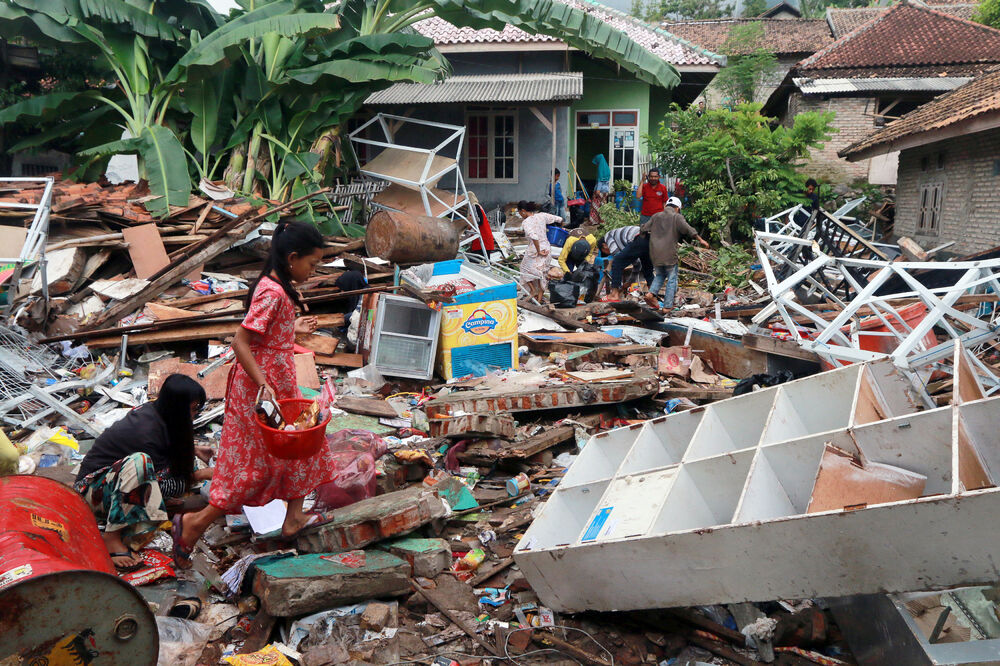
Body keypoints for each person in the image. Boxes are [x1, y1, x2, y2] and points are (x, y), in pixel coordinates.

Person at [173, 221, 338, 568]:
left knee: (301, 445)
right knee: (252, 468)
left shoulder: (276, 287)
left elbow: (267, 336)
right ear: (292, 258)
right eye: (312, 264)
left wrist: (291, 329)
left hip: (277, 385)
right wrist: (264, 383)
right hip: (260, 391)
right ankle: (195, 523)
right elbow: (240, 342)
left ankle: (293, 517)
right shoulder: (272, 292)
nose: (314, 271)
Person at [75, 374, 211, 572]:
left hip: (110, 483)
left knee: (176, 475)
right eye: (192, 409)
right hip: (90, 492)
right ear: (177, 407)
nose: (194, 415)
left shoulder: (160, 415)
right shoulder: (146, 431)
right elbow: (157, 487)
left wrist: (194, 451)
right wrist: (200, 475)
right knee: (141, 462)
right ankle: (112, 537)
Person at [641, 196, 710, 310]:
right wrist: (701, 240)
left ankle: (650, 293)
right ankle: (667, 306)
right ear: (677, 208)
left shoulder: (656, 216)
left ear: (666, 206)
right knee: (672, 279)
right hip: (669, 253)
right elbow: (688, 229)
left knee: (660, 275)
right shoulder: (676, 217)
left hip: (655, 253)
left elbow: (643, 229)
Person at [518, 201, 561, 302]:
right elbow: (559, 219)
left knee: (524, 269)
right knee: (542, 275)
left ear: (523, 211)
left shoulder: (526, 222)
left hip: (534, 251)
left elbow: (534, 237)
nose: (520, 215)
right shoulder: (542, 216)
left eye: (519, 213)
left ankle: (533, 291)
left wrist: (538, 251)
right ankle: (539, 300)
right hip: (547, 248)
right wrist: (560, 227)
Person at [601, 225, 654, 301]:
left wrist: (618, 284)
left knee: (617, 261)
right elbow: (637, 264)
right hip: (650, 239)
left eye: (606, 252)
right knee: (647, 269)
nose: (610, 253)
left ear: (604, 245)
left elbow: (617, 256)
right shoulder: (619, 238)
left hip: (640, 237)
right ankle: (653, 296)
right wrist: (630, 282)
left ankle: (614, 294)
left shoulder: (608, 237)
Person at [467, 193, 496, 260]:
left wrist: (470, 226)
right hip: (483, 238)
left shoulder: (475, 206)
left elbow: (479, 221)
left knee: (479, 262)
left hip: (482, 238)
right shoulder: (477, 207)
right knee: (484, 261)